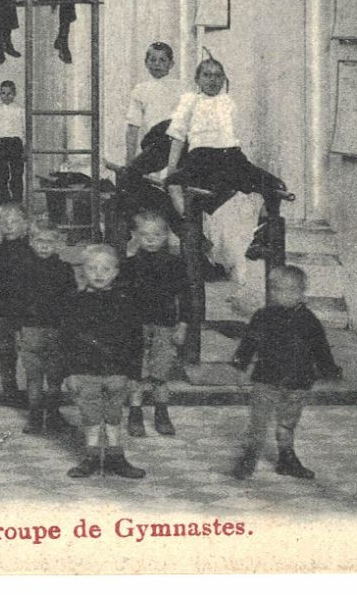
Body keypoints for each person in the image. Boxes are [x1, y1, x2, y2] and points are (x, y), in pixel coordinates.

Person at [164, 56, 293, 260]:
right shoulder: (189, 101)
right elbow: (178, 136)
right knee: (174, 184)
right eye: (206, 75)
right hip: (201, 158)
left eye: (217, 75)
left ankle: (261, 237)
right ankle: (195, 236)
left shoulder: (229, 103)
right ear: (197, 79)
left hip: (232, 158)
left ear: (224, 79)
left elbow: (236, 138)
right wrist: (171, 167)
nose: (212, 80)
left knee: (275, 186)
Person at [230, 265, 342, 480]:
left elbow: (321, 348)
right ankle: (249, 458)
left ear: (302, 293)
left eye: (292, 290)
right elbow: (248, 344)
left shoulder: (309, 321)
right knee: (258, 422)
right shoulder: (262, 316)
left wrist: (330, 371)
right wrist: (240, 366)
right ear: (271, 291)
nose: (285, 295)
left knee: (287, 423)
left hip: (298, 381)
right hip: (266, 379)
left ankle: (287, 459)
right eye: (279, 290)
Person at [60, 244, 146, 480]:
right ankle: (91, 456)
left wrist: (134, 374)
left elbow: (135, 340)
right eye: (92, 268)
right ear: (82, 271)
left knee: (114, 414)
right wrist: (69, 373)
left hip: (117, 371)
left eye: (105, 269)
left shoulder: (125, 302)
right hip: (85, 371)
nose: (99, 274)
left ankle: (116, 457)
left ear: (116, 272)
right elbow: (66, 340)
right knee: (90, 415)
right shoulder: (73, 302)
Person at [121, 211, 193, 438]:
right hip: (136, 326)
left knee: (160, 373)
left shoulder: (175, 264)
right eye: (145, 234)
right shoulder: (129, 265)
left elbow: (186, 297)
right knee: (137, 373)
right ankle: (135, 413)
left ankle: (162, 413)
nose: (151, 239)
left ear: (167, 236)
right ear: (135, 235)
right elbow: (121, 298)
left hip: (165, 325)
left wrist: (183, 325)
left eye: (157, 235)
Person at [14, 221, 76, 435]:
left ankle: (53, 415)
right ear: (31, 242)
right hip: (31, 330)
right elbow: (16, 302)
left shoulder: (66, 270)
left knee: (55, 378)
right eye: (40, 241)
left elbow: (71, 303)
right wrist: (17, 329)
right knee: (34, 379)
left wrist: (69, 331)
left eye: (50, 242)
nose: (44, 246)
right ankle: (34, 416)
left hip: (57, 331)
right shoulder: (22, 268)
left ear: (59, 244)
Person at [116, 41, 186, 228]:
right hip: (154, 146)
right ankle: (138, 226)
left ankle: (136, 227)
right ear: (146, 62)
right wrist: (130, 159)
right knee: (130, 179)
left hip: (175, 143)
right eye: (152, 60)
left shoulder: (181, 88)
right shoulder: (140, 90)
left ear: (171, 64)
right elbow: (133, 127)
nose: (157, 64)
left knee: (164, 185)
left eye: (162, 60)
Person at [0, 203, 32, 402]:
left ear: (25, 224)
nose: (9, 226)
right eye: (4, 222)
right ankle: (9, 388)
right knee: (7, 352)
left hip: (28, 313)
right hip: (4, 314)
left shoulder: (31, 252)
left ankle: (32, 389)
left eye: (14, 222)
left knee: (30, 353)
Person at [0, 79, 26, 205]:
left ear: (14, 94)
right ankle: (4, 204)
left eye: (9, 93)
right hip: (1, 144)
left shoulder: (20, 110)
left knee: (17, 175)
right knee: (1, 175)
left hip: (16, 143)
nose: (5, 97)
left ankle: (17, 203)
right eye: (2, 93)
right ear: (0, 94)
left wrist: (25, 148)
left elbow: (26, 131)